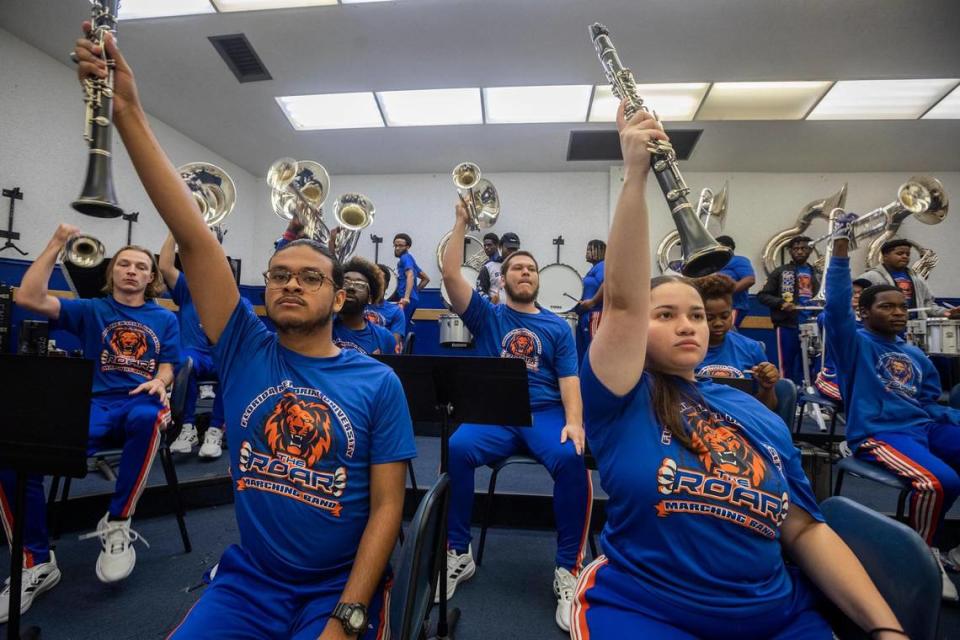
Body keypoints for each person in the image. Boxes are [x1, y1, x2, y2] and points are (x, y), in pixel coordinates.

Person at [70, 28, 416, 638]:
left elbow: (389, 507)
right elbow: (193, 234)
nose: (288, 284)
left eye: (309, 278)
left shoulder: (377, 381)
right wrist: (125, 111)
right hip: (249, 581)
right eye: (278, 275)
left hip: (337, 587)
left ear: (338, 298)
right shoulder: (242, 346)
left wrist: (349, 612)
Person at [572, 101, 904, 639]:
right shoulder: (620, 398)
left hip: (777, 615)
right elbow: (626, 304)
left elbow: (803, 529)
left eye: (697, 316)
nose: (689, 326)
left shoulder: (752, 411)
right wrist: (634, 176)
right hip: (647, 610)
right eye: (667, 315)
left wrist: (888, 632)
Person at [1, 227, 179, 620]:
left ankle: (118, 523)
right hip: (93, 407)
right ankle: (35, 562)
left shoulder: (164, 319)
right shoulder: (92, 309)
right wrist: (53, 245)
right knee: (15, 456)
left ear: (151, 278)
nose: (132, 271)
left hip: (139, 400)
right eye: (124, 264)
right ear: (112, 271)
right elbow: (29, 297)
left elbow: (168, 365)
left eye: (141, 267)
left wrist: (161, 380)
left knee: (150, 415)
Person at [440, 202, 589, 633]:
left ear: (538, 280)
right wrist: (462, 223)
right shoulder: (489, 315)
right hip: (497, 414)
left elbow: (569, 381)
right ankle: (458, 553)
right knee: (458, 447)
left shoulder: (558, 328)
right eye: (517, 268)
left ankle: (567, 569)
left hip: (544, 414)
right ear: (502, 279)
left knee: (571, 457)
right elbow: (451, 276)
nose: (525, 273)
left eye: (531, 269)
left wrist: (574, 422)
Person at [825, 228, 960, 600]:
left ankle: (951, 544)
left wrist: (949, 418)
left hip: (923, 426)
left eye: (901, 306)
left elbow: (930, 399)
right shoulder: (854, 344)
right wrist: (839, 252)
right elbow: (835, 308)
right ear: (864, 312)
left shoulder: (916, 355)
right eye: (887, 307)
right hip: (879, 432)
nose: (898, 313)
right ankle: (921, 556)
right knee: (938, 482)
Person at [161, 233, 225, 459]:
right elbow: (165, 265)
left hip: (219, 357)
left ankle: (215, 430)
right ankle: (187, 429)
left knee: (235, 366)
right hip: (194, 355)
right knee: (184, 361)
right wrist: (174, 231)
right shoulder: (189, 287)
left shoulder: (230, 295)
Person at [693, 274, 780, 410]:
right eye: (709, 318)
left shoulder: (751, 348)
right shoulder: (685, 349)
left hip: (741, 423)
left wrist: (767, 388)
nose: (718, 323)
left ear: (731, 313)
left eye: (725, 316)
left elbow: (767, 409)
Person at [757, 236, 821, 384]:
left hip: (813, 326)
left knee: (812, 365)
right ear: (790, 252)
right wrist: (781, 303)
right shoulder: (781, 272)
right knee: (786, 366)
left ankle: (808, 400)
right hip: (787, 325)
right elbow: (762, 295)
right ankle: (789, 397)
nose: (799, 251)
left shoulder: (817, 273)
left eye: (803, 248)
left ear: (810, 250)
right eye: (795, 249)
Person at [857, 238, 960, 318]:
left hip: (916, 329)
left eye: (907, 254)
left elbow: (929, 306)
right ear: (885, 256)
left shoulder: (918, 278)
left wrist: (947, 312)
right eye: (899, 253)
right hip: (885, 329)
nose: (905, 256)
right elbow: (859, 305)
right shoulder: (870, 277)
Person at [813, 277, 871, 402]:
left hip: (862, 372)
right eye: (852, 293)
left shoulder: (868, 319)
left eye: (860, 293)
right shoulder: (827, 317)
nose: (857, 296)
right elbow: (833, 322)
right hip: (834, 374)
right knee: (860, 397)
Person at [333, 256, 399, 355]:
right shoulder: (319, 328)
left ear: (370, 297)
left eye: (360, 285)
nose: (351, 287)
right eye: (345, 282)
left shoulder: (384, 338)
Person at [715, 235, 756, 329]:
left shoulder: (739, 260)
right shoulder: (715, 263)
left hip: (734, 306)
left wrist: (727, 292)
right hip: (716, 306)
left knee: (727, 331)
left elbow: (749, 279)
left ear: (729, 247)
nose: (716, 250)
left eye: (719, 246)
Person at [576, 239, 605, 363]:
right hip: (586, 316)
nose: (587, 252)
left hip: (595, 315)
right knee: (584, 352)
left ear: (602, 251)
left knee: (593, 352)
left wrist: (593, 301)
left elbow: (608, 283)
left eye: (590, 249)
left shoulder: (603, 265)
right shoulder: (594, 269)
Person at [364, 264, 406, 350]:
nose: (375, 284)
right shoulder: (356, 306)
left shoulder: (396, 311)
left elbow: (393, 346)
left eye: (379, 281)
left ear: (386, 285)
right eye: (372, 280)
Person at [392, 232, 430, 326]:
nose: (397, 248)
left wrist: (406, 297)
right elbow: (426, 279)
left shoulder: (405, 258)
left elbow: (410, 275)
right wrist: (415, 292)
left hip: (406, 300)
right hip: (412, 299)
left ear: (407, 247)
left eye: (401, 246)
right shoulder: (410, 259)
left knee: (399, 329)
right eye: (395, 245)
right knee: (402, 327)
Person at [475, 232, 503, 302]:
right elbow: (480, 291)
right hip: (494, 309)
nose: (486, 247)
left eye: (489, 245)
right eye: (485, 245)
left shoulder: (507, 263)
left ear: (497, 245)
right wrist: (490, 301)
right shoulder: (486, 267)